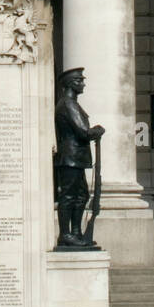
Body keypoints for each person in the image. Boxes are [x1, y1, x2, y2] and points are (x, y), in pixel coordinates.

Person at [54, 67, 104, 248]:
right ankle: (65, 234)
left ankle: (76, 233)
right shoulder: (68, 104)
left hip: (76, 159)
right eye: (79, 80)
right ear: (70, 83)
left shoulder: (71, 103)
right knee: (69, 197)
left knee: (81, 195)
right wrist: (96, 131)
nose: (83, 84)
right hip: (70, 158)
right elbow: (83, 132)